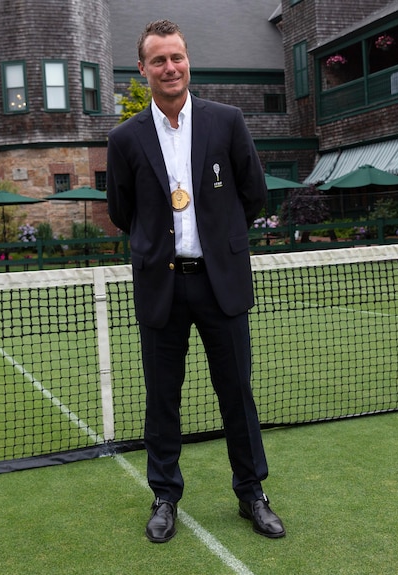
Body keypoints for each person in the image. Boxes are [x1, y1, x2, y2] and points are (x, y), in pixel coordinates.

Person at [106, 19, 285, 543]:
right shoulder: (124, 138)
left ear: (188, 62)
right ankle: (165, 497)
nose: (170, 68)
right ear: (142, 70)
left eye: (177, 58)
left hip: (220, 283)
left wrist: (219, 238)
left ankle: (252, 493)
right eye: (158, 60)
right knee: (163, 398)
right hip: (161, 286)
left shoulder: (226, 121)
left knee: (237, 395)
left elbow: (253, 195)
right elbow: (122, 211)